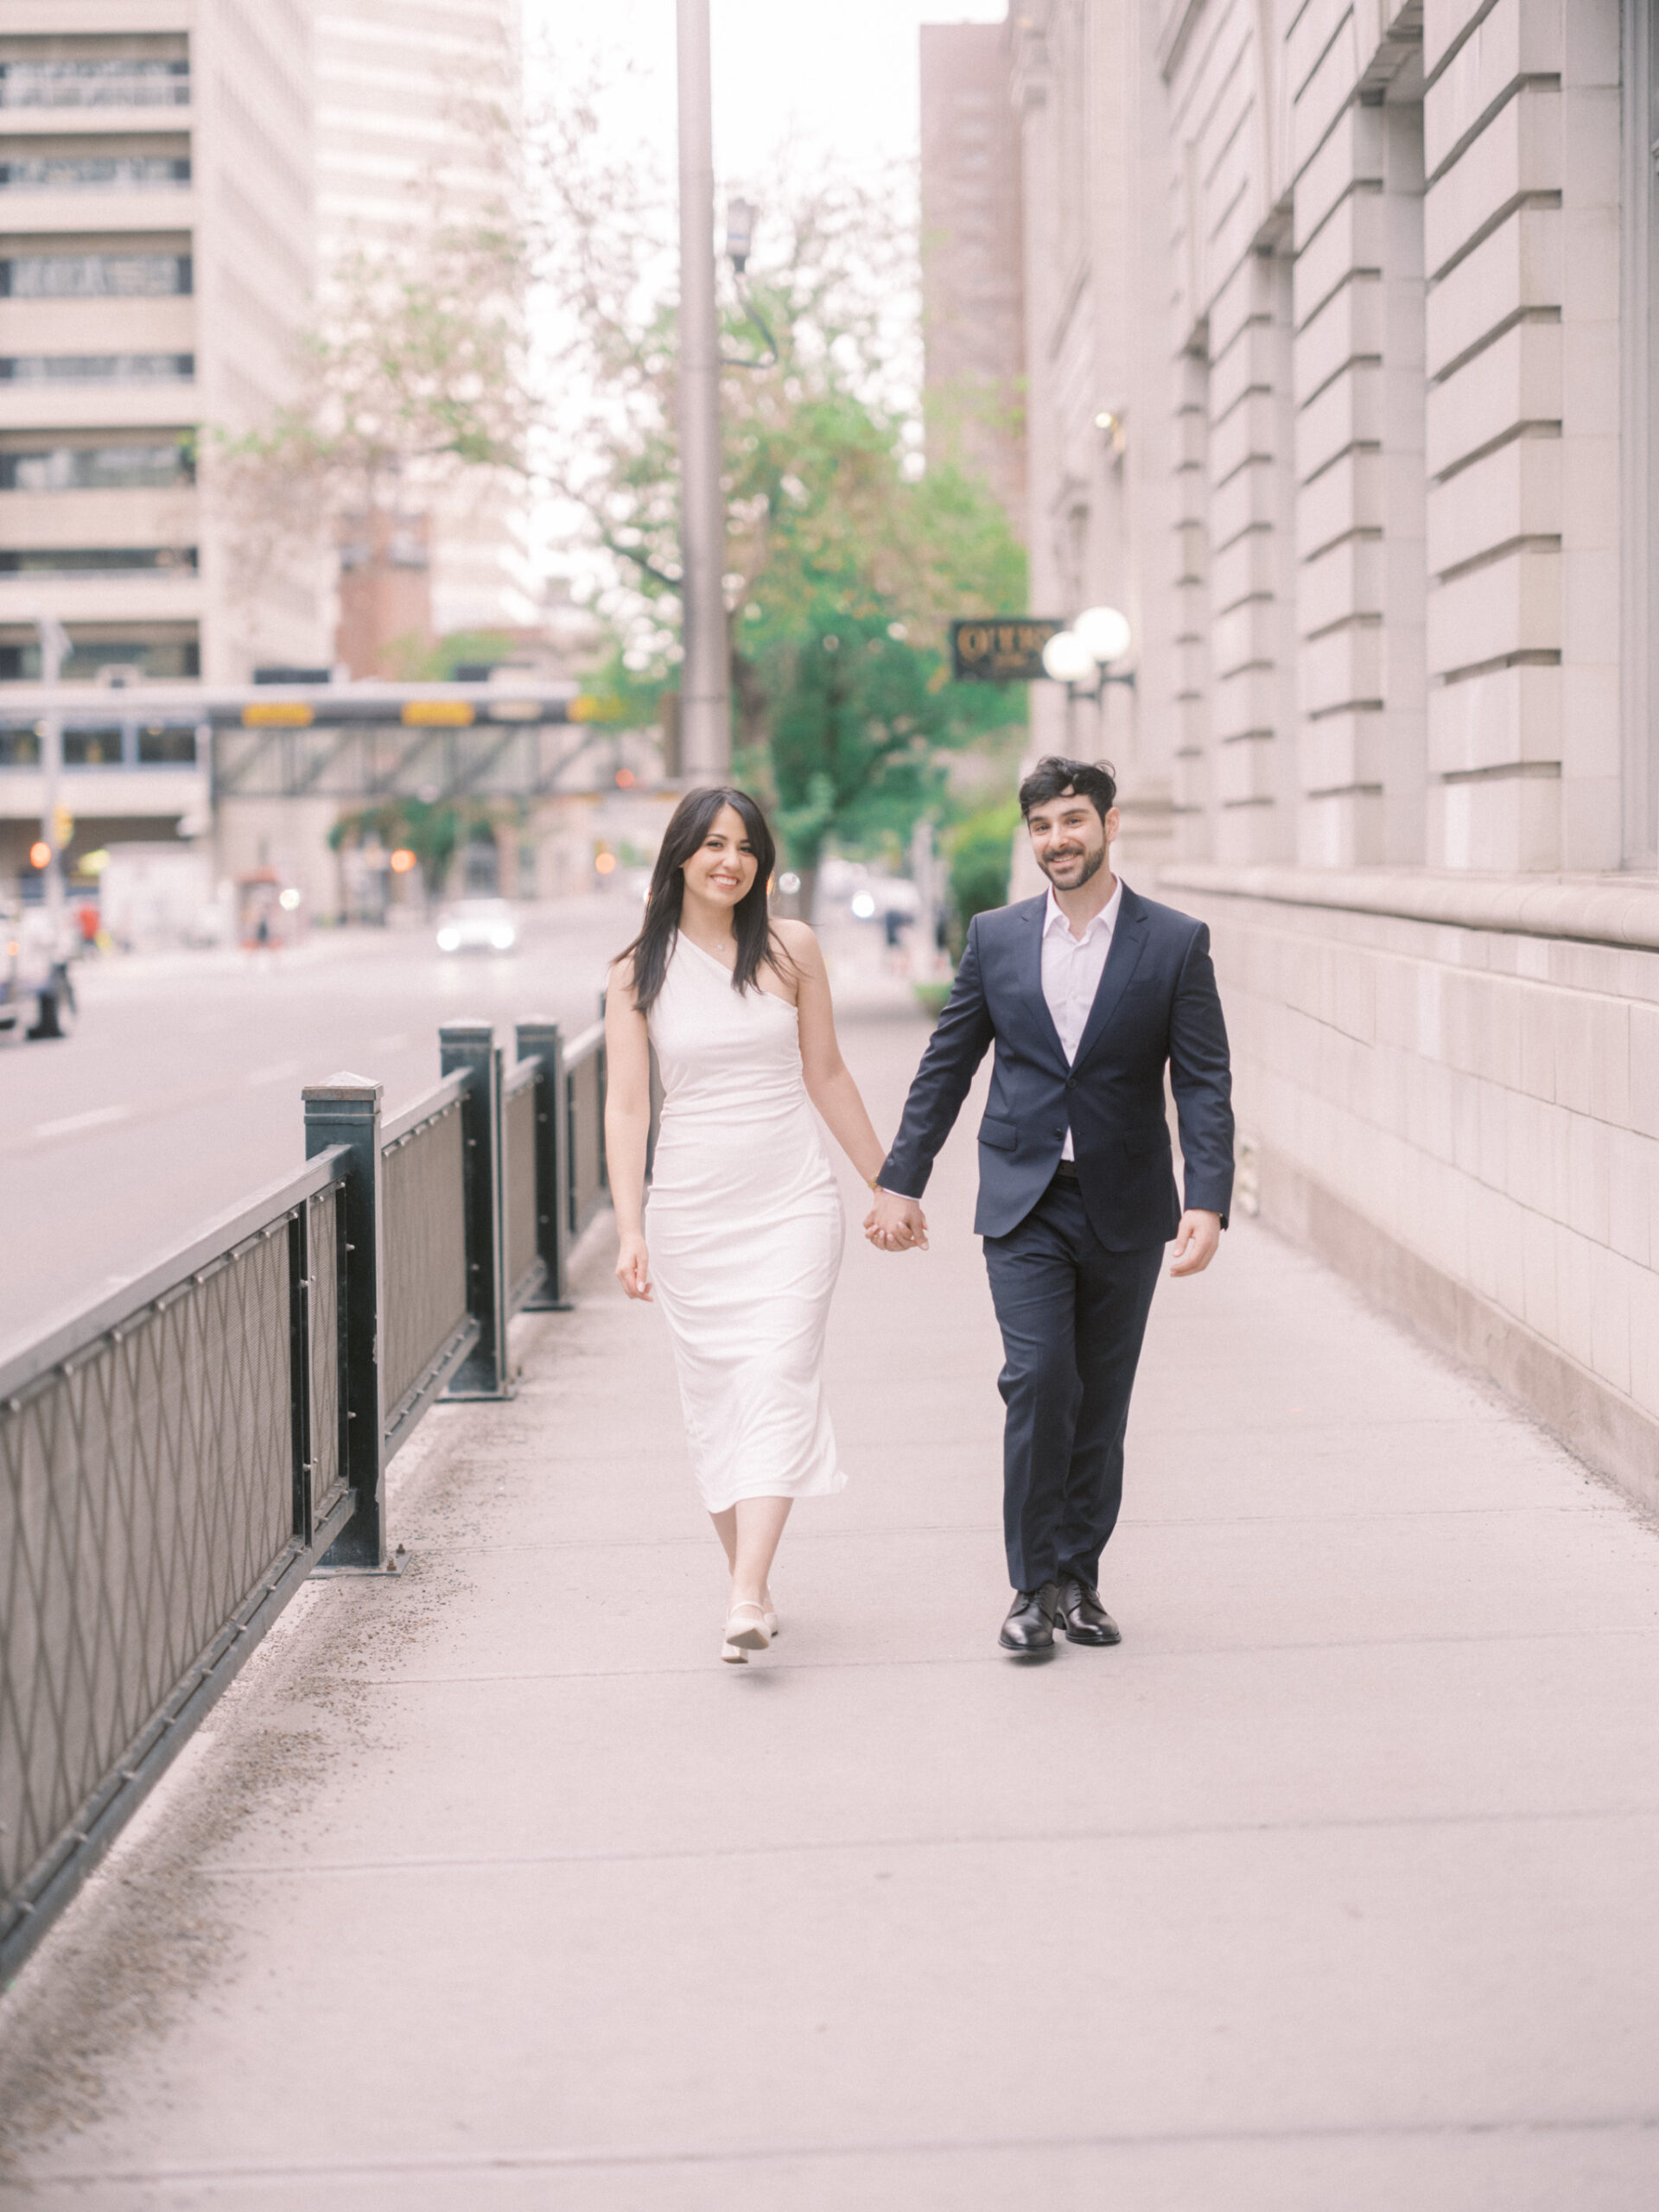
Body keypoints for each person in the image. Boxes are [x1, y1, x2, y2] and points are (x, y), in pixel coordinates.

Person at [865, 756, 1235, 1656]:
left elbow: (1204, 1079)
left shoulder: (1175, 940)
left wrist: (1208, 1199)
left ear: (1109, 824)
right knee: (1040, 1381)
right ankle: (1030, 1586)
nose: (1057, 840)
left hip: (1126, 1206)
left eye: (1072, 820)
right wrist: (899, 1177)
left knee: (1100, 1400)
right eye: (1040, 826)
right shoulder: (996, 938)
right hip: (1025, 1203)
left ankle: (1080, 1580)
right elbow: (946, 1064)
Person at [605, 786, 893, 1663]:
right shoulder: (634, 970)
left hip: (792, 1201)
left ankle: (742, 1588)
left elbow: (830, 1074)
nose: (730, 860)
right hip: (691, 1212)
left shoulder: (791, 948)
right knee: (718, 1400)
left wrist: (891, 1185)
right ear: (681, 855)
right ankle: (754, 1587)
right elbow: (625, 1108)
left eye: (746, 847)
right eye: (712, 844)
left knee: (775, 1375)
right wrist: (629, 1228)